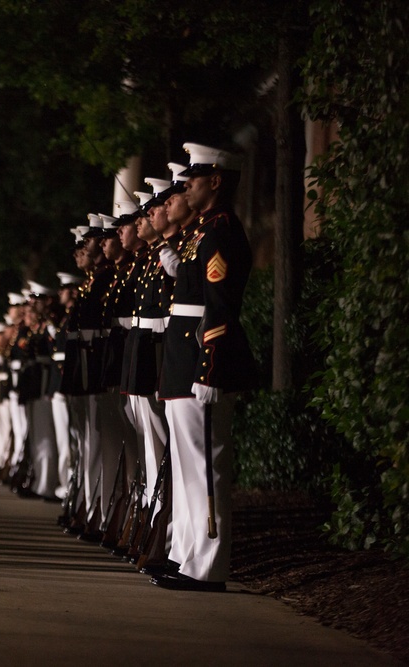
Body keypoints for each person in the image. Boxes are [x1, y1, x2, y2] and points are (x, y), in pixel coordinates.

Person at [152, 142, 256, 592]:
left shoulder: (221, 230)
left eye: (192, 180)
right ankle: (187, 555)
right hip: (185, 358)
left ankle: (208, 567)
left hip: (202, 360)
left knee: (206, 468)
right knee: (188, 465)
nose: (185, 187)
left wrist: (210, 368)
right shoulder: (203, 231)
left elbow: (220, 306)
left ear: (215, 181)